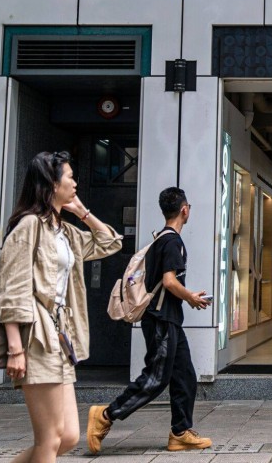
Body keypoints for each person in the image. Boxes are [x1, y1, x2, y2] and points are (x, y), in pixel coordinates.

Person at [0, 151, 123, 463]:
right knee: (50, 438)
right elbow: (11, 289)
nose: (75, 183)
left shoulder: (64, 231)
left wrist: (82, 212)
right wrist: (15, 349)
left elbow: (111, 242)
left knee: (67, 437)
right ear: (52, 184)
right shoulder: (29, 226)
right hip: (36, 336)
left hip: (61, 338)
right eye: (69, 177)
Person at [86, 187, 212, 454]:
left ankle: (180, 432)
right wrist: (190, 297)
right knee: (156, 378)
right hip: (161, 320)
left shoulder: (162, 239)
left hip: (168, 320)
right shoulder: (172, 242)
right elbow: (169, 281)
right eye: (188, 207)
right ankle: (106, 415)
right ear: (184, 210)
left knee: (185, 375)